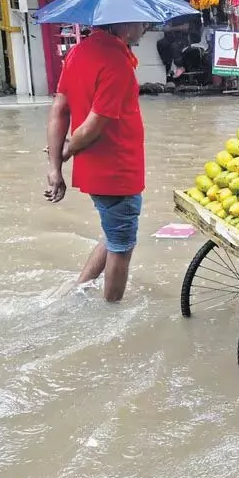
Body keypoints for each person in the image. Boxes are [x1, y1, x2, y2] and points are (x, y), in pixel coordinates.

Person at [44, 21, 148, 303]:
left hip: (97, 171)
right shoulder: (116, 63)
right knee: (122, 247)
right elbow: (91, 128)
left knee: (113, 232)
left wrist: (55, 167)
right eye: (141, 22)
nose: (145, 27)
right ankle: (111, 310)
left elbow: (59, 110)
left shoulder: (79, 51)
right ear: (125, 24)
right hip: (117, 170)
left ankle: (80, 287)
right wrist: (65, 152)